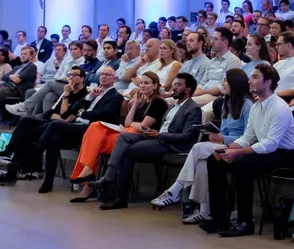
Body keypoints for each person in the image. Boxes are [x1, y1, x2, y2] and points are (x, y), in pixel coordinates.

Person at [78, 73, 203, 209]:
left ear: (188, 90)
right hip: (156, 137)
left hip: (169, 144)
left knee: (126, 151)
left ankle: (118, 196)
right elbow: (129, 124)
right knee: (123, 137)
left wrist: (159, 134)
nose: (174, 87)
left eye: (178, 85)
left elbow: (187, 137)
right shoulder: (173, 106)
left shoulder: (193, 109)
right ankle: (109, 178)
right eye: (174, 83)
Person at [202, 63, 294, 237]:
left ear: (268, 82)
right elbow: (247, 137)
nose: (249, 81)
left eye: (255, 77)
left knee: (243, 164)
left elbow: (270, 144)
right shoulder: (256, 106)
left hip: (283, 154)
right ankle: (220, 218)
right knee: (214, 160)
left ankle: (245, 222)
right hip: (264, 149)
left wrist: (237, 153)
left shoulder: (280, 107)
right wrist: (227, 148)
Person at [152, 71, 253, 223]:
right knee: (202, 162)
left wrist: (223, 138)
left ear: (235, 83)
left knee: (199, 148)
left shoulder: (248, 106)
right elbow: (224, 131)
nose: (222, 84)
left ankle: (176, 190)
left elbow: (249, 137)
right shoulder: (227, 103)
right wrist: (216, 135)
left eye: (225, 81)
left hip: (239, 148)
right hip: (222, 145)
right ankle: (205, 211)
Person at [64, 71, 169, 189]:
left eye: (146, 83)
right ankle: (87, 171)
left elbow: (142, 127)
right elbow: (127, 122)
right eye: (141, 83)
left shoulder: (158, 102)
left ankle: (86, 176)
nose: (142, 86)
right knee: (93, 130)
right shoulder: (141, 102)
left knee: (93, 139)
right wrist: (135, 104)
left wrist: (131, 124)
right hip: (127, 133)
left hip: (136, 138)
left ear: (155, 86)